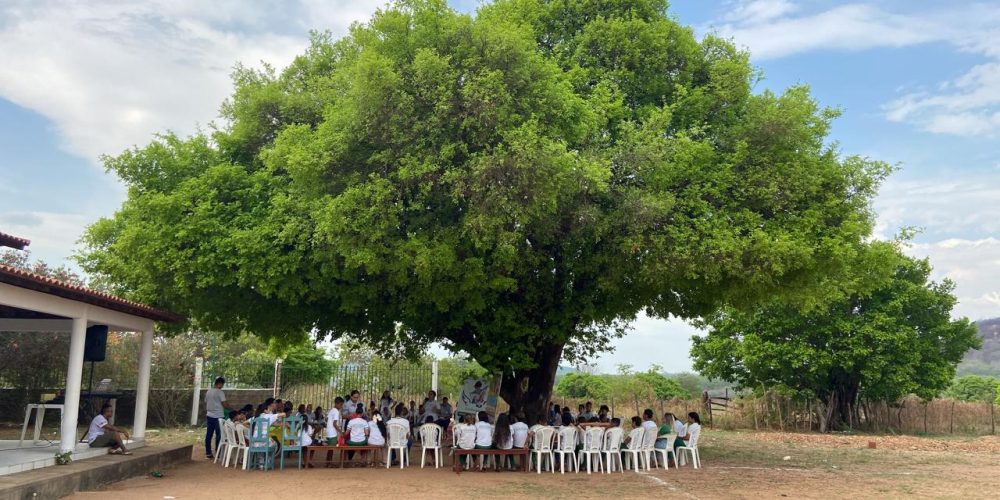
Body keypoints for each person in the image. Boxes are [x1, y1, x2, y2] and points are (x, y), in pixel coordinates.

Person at [204, 376, 233, 459]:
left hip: (209, 415)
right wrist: (232, 409)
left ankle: (208, 453)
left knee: (209, 434)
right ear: (220, 384)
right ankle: (218, 452)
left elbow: (206, 401)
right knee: (219, 435)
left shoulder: (208, 392)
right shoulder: (220, 392)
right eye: (222, 384)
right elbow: (225, 404)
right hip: (219, 416)